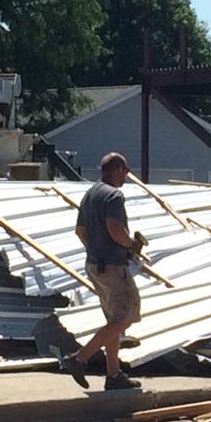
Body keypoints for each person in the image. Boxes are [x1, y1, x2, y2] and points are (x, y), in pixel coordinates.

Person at [62, 152, 144, 391]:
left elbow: (80, 231)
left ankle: (113, 374)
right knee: (124, 317)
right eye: (125, 171)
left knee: (113, 321)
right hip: (113, 267)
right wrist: (132, 245)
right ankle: (79, 359)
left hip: (95, 265)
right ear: (117, 169)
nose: (126, 175)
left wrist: (95, 249)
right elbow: (116, 230)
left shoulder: (90, 194)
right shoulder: (113, 195)